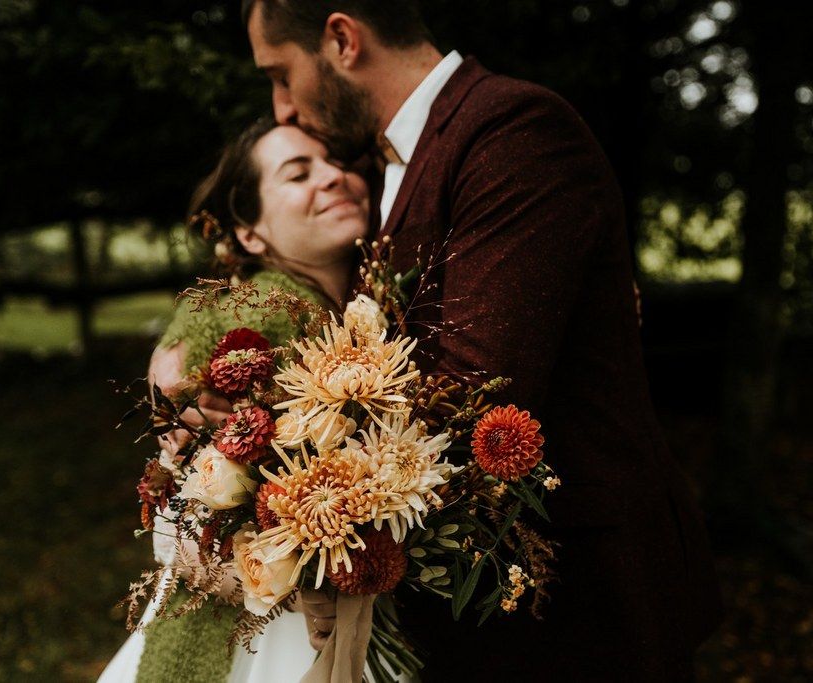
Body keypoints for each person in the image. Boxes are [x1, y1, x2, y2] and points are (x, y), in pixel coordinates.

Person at [241, 0, 724, 680]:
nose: (283, 106)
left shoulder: (513, 132)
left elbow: (471, 389)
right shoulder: (383, 172)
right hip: (480, 615)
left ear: (343, 39)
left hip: (579, 611)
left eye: (281, 73)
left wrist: (304, 499)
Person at [98, 119, 373, 682]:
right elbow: (183, 483)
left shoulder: (362, 304)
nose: (333, 178)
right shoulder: (256, 309)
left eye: (336, 163)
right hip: (261, 631)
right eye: (299, 173)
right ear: (250, 234)